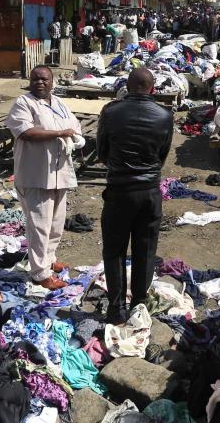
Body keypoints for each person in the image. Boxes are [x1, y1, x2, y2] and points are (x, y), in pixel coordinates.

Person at [96, 68, 172, 324]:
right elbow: (161, 156)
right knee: (145, 249)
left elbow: (102, 153)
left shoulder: (111, 112)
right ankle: (139, 304)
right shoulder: (164, 115)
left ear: (127, 87)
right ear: (152, 89)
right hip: (150, 192)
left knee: (114, 251)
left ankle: (116, 309)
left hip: (119, 191)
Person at [5, 66, 81, 290]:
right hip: (35, 175)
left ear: (52, 82)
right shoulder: (23, 103)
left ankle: (49, 260)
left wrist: (76, 137)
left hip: (59, 173)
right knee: (39, 226)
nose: (40, 82)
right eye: (35, 79)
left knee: (56, 223)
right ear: (30, 81)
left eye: (44, 79)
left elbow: (73, 125)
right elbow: (26, 133)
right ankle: (39, 273)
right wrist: (60, 133)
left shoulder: (58, 103)